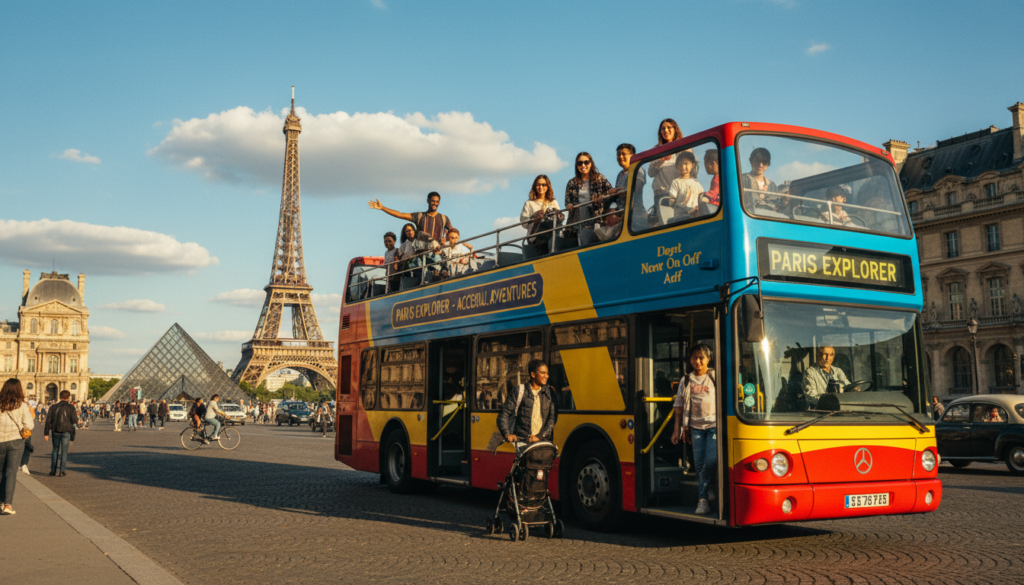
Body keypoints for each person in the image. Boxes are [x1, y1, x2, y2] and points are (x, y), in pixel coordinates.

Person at [670, 345, 717, 515]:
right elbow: (679, 407)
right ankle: (703, 500)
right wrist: (678, 430)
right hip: (695, 428)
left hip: (714, 427)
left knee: (711, 461)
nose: (697, 361)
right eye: (694, 358)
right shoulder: (686, 380)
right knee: (699, 465)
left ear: (708, 359)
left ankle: (710, 486)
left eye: (701, 358)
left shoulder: (714, 376)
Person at [498, 359, 557, 444]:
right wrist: (507, 434)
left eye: (547, 373)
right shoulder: (519, 391)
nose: (546, 376)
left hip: (542, 443)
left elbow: (552, 419)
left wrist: (540, 437)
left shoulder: (550, 392)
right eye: (543, 373)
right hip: (522, 443)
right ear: (533, 374)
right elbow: (505, 413)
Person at [563, 152, 612, 248]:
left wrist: (602, 198)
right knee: (580, 243)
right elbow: (567, 200)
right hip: (578, 218)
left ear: (591, 163)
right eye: (579, 163)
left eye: (586, 162)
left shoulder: (599, 178)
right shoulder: (572, 182)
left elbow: (610, 192)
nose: (583, 165)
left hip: (596, 217)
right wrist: (568, 205)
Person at [0, 378, 34, 514]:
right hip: (16, 441)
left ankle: (1, 501)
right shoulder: (22, 406)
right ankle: (7, 504)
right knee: (11, 473)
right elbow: (29, 426)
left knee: (0, 472)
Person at [520, 175, 564, 256]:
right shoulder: (529, 203)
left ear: (548, 186)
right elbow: (523, 222)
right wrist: (534, 217)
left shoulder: (553, 202)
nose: (541, 187)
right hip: (536, 239)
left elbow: (561, 218)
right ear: (534, 186)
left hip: (552, 235)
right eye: (538, 185)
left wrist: (557, 214)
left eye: (543, 185)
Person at [44, 390, 77, 477]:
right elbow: (74, 420)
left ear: (59, 397)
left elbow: (48, 420)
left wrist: (46, 432)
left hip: (55, 430)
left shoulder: (53, 407)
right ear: (69, 397)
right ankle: (62, 471)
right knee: (64, 452)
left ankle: (53, 470)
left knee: (55, 450)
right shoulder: (71, 407)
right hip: (66, 431)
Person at [666, 151, 705, 221]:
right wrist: (669, 202)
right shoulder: (676, 182)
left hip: (696, 216)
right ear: (677, 167)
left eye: (686, 164)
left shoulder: (697, 183)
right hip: (680, 217)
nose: (683, 167)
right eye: (680, 165)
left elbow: (702, 199)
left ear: (692, 165)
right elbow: (672, 200)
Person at [741, 147, 779, 212]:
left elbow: (775, 205)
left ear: (768, 164)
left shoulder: (772, 185)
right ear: (750, 161)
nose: (760, 165)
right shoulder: (741, 179)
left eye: (764, 162)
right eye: (757, 161)